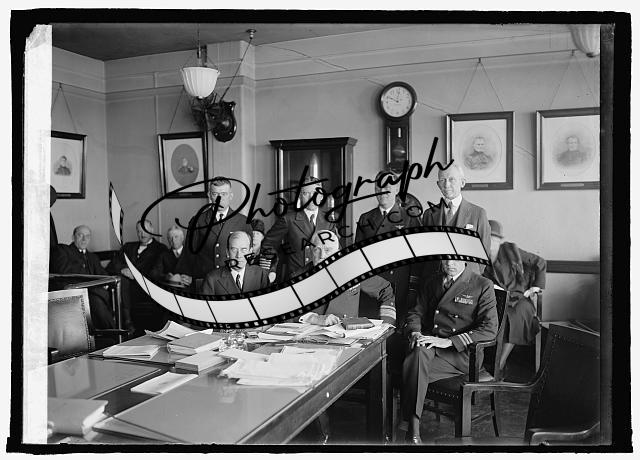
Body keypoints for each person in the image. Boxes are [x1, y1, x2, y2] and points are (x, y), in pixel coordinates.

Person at [401, 259, 498, 443]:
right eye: (445, 258)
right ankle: (413, 431)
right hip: (432, 343)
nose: (449, 263)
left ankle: (409, 425)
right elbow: (416, 312)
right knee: (418, 353)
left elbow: (489, 329)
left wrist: (449, 342)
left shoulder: (482, 285)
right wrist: (415, 331)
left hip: (461, 354)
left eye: (455, 258)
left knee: (409, 367)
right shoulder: (433, 281)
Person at [355, 169, 421, 324]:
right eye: (378, 187)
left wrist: (413, 287)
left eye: (387, 187)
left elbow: (417, 259)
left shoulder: (410, 219)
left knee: (396, 329)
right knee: (371, 326)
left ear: (397, 189)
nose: (382, 191)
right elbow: (358, 258)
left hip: (399, 285)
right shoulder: (365, 218)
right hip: (372, 286)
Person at [295, 230, 396, 326]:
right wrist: (313, 318)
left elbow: (385, 290)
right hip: (311, 333)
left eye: (327, 250)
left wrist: (386, 324)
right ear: (310, 251)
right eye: (317, 250)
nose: (322, 255)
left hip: (348, 331)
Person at [483, 219, 546, 371]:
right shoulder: (477, 255)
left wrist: (535, 287)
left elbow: (540, 262)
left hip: (518, 299)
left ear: (499, 240)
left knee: (516, 315)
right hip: (493, 300)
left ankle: (499, 365)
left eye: (494, 239)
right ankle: (483, 364)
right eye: (487, 238)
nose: (491, 243)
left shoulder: (511, 250)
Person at [262, 175, 337, 279]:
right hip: (296, 277)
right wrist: (273, 268)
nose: (311, 198)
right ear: (300, 196)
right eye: (306, 193)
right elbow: (268, 245)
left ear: (321, 196)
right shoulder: (288, 219)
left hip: (323, 275)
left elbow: (336, 248)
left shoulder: (328, 219)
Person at [422, 163, 491, 274]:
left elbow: (484, 251)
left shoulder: (478, 214)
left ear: (462, 183)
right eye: (442, 180)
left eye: (451, 179)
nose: (446, 184)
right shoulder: (429, 214)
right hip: (435, 278)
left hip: (468, 279)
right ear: (438, 184)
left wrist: (473, 275)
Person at [181, 177, 253, 279]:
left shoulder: (243, 221)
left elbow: (249, 255)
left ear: (231, 196)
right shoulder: (198, 221)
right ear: (209, 195)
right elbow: (189, 255)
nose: (220, 198)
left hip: (232, 279)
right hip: (205, 278)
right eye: (215, 194)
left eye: (224, 194)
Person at [107, 220, 167, 332]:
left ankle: (127, 321)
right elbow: (113, 264)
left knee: (123, 284)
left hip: (145, 287)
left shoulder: (160, 249)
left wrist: (135, 275)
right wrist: (123, 269)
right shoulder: (128, 247)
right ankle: (125, 323)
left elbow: (156, 271)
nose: (142, 234)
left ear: (152, 230)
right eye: (139, 231)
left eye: (145, 230)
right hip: (126, 286)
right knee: (122, 281)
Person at [50, 225, 115, 329]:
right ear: (73, 237)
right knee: (96, 302)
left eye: (87, 236)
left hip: (95, 292)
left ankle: (115, 331)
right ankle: (114, 333)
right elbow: (64, 272)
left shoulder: (93, 257)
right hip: (75, 292)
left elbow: (103, 274)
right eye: (80, 235)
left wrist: (106, 283)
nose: (84, 239)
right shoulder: (63, 250)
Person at [201, 231, 270, 295]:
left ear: (250, 252)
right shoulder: (212, 279)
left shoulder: (261, 274)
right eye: (234, 249)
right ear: (227, 252)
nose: (239, 255)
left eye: (244, 250)